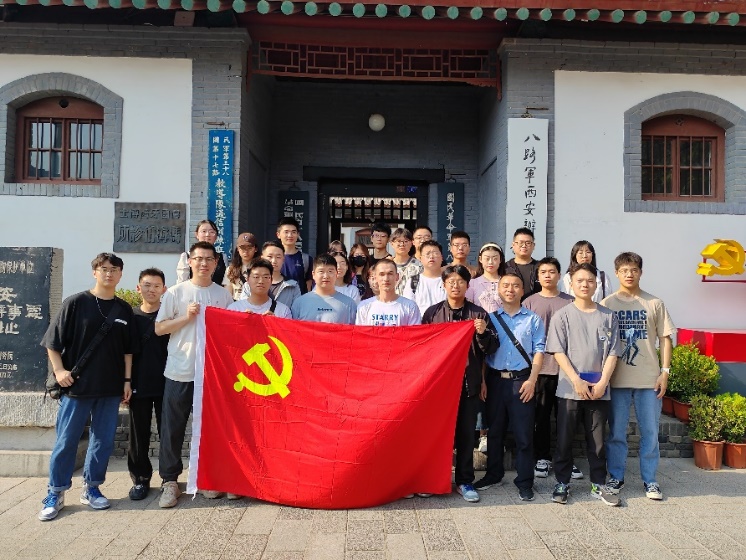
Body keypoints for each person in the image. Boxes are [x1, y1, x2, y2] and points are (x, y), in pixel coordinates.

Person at [38, 253, 137, 521]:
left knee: (102, 441)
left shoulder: (123, 309)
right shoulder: (76, 303)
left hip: (110, 388)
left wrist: (127, 381)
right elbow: (52, 342)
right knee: (66, 441)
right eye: (104, 269)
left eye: (114, 269)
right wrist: (59, 371)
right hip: (77, 387)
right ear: (95, 272)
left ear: (120, 274)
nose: (109, 273)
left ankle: (92, 488)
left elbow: (128, 351)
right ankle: (55, 492)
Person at [155, 241, 234, 508]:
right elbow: (160, 328)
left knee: (209, 428)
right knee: (173, 428)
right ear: (189, 261)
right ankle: (169, 481)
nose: (203, 263)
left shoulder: (223, 295)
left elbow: (232, 330)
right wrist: (186, 318)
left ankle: (205, 478)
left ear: (215, 263)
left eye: (209, 259)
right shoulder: (176, 292)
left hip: (211, 374)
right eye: (198, 258)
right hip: (180, 370)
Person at [545, 263, 621, 507]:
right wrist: (576, 380)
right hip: (569, 389)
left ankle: (598, 484)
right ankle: (562, 482)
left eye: (589, 280)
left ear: (596, 284)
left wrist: (603, 382)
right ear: (571, 283)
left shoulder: (608, 316)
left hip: (599, 390)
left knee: (597, 441)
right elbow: (557, 351)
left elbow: (614, 353)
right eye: (580, 280)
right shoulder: (562, 315)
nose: (585, 285)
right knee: (564, 439)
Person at [602, 252, 675, 501]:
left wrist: (665, 372)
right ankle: (616, 476)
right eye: (624, 270)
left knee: (650, 432)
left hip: (649, 379)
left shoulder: (654, 303)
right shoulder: (607, 304)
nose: (629, 274)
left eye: (634, 270)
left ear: (641, 272)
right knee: (616, 433)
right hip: (617, 380)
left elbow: (665, 339)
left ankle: (650, 480)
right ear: (616, 273)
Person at [422, 265, 498, 503]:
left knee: (466, 434)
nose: (455, 286)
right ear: (444, 285)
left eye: (460, 282)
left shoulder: (478, 314)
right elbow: (423, 348)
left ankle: (465, 480)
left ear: (467, 285)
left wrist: (483, 333)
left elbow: (491, 349)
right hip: (440, 384)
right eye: (451, 281)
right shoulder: (432, 313)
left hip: (468, 383)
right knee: (438, 435)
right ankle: (436, 479)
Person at [473, 273, 545, 502]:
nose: (510, 289)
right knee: (495, 432)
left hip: (521, 381)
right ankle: (494, 474)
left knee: (524, 434)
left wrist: (532, 380)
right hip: (495, 381)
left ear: (522, 291)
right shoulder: (490, 319)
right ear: (499, 290)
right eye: (505, 285)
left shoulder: (533, 319)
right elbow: (484, 353)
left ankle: (525, 481)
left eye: (515, 286)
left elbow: (539, 351)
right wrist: (483, 381)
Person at [523, 257, 576, 481]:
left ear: (559, 275)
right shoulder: (529, 302)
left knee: (567, 418)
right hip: (541, 369)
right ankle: (542, 457)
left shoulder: (571, 301)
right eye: (543, 272)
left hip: (567, 370)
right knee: (542, 416)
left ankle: (566, 459)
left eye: (552, 271)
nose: (547, 275)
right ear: (537, 276)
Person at [127, 268, 169, 501]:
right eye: (147, 285)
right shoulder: (130, 317)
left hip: (167, 383)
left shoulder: (169, 316)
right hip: (138, 383)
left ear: (164, 289)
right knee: (138, 434)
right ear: (138, 288)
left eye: (156, 286)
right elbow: (124, 352)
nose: (151, 289)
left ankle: (168, 478)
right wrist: (125, 382)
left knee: (168, 433)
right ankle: (140, 479)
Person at [292, 254, 357, 324]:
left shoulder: (349, 304)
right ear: (313, 275)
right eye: (321, 271)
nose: (326, 276)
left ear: (336, 274)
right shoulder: (300, 303)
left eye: (330, 271)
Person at [356, 259, 421, 327]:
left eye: (390, 274)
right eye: (382, 274)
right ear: (376, 278)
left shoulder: (410, 307)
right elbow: (360, 333)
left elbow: (414, 333)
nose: (386, 279)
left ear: (397, 277)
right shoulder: (364, 306)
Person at [241, 241, 301, 310]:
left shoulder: (293, 286)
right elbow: (242, 309)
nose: (274, 261)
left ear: (283, 259)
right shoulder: (249, 285)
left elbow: (296, 313)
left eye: (278, 257)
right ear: (262, 258)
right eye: (270, 256)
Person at [176, 220, 227, 286]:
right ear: (197, 235)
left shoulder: (222, 257)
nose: (207, 235)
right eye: (204, 231)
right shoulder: (187, 256)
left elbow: (226, 283)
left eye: (211, 232)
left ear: (216, 236)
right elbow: (182, 283)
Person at [403, 240, 446, 316]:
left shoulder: (449, 281)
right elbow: (407, 309)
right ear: (420, 258)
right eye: (427, 254)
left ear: (442, 257)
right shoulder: (413, 282)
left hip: (445, 322)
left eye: (435, 253)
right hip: (421, 322)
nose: (431, 256)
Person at [466, 242, 506, 314]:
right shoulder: (472, 283)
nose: (490, 262)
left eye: (495, 259)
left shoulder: (507, 282)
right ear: (480, 259)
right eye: (487, 258)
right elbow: (468, 308)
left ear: (500, 260)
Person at [277, 217, 312, 294]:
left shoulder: (306, 259)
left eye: (293, 232)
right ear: (278, 235)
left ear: (298, 234)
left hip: (299, 300)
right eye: (286, 232)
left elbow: (308, 285)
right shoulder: (272, 258)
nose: (290, 235)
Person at [505, 227, 541, 301]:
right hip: (511, 307)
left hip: (536, 307)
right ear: (513, 245)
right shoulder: (505, 268)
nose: (524, 246)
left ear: (533, 246)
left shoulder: (541, 267)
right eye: (520, 243)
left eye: (528, 243)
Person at [390, 228, 423, 296]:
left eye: (406, 241)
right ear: (392, 244)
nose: (402, 244)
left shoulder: (419, 265)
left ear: (411, 243)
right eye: (399, 241)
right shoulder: (386, 265)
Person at [225, 232, 258, 300]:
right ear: (237, 249)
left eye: (249, 248)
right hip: (237, 303)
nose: (246, 251)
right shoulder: (230, 269)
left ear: (255, 249)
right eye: (242, 248)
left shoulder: (261, 268)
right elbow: (228, 293)